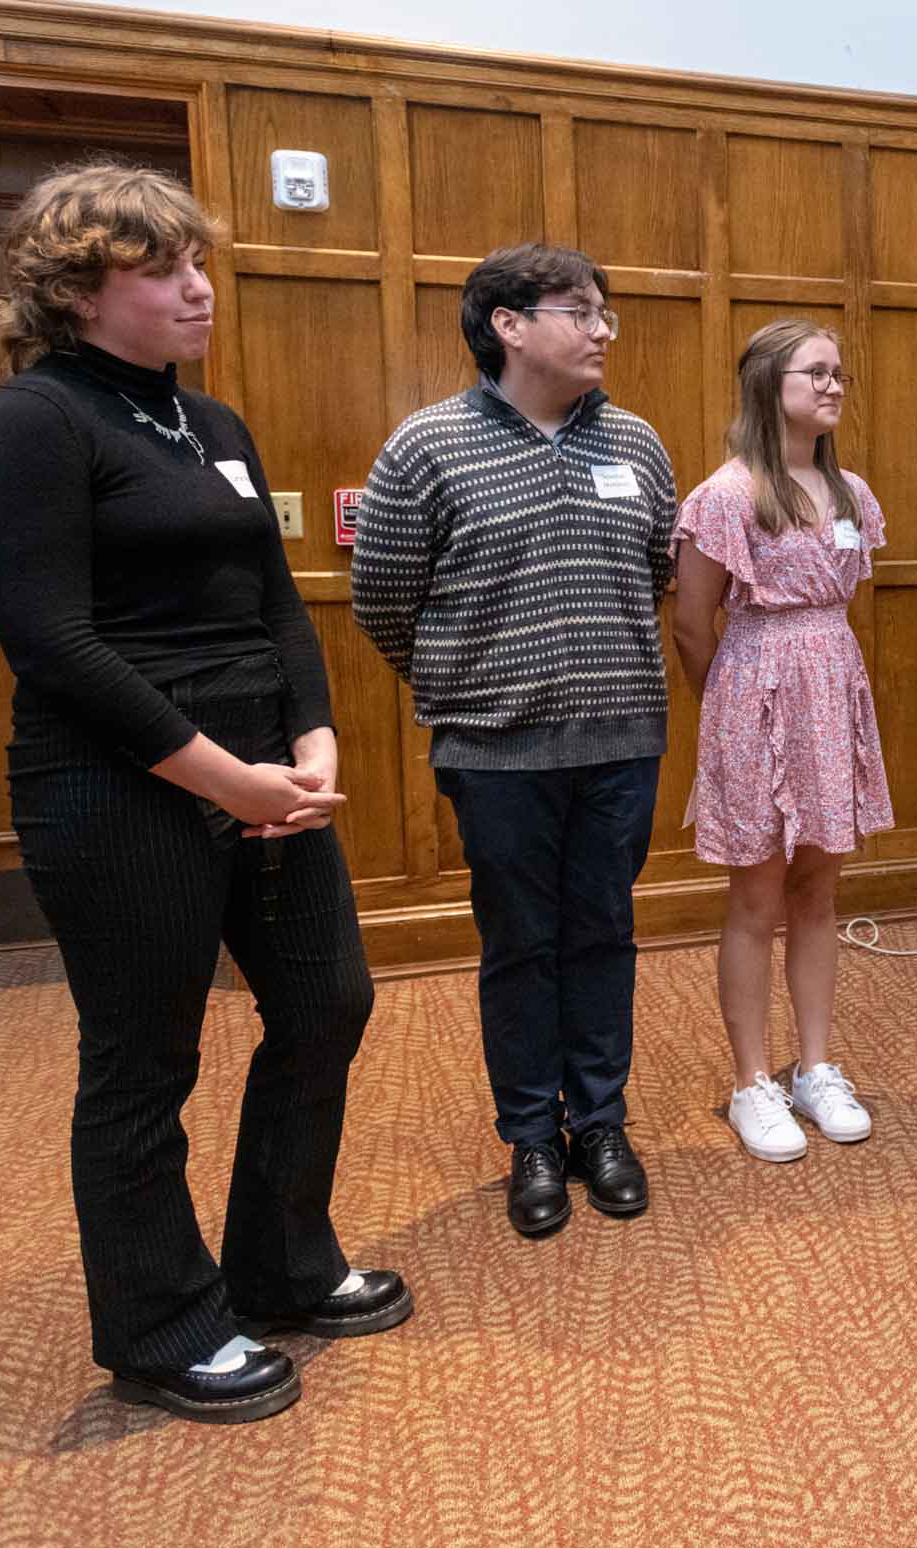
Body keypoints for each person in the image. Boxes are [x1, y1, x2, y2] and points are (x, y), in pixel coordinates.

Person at [0, 161, 407, 1425]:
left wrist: (313, 739)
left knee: (326, 1003)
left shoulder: (209, 425)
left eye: (197, 262)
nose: (198, 288)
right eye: (163, 270)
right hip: (116, 787)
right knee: (144, 1060)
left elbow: (275, 601)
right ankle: (163, 1324)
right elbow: (52, 642)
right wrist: (225, 779)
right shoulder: (34, 420)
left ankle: (281, 1264)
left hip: (267, 775)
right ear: (78, 290)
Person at [352, 244, 676, 1238]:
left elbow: (656, 574)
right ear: (507, 323)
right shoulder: (426, 447)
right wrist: (474, 686)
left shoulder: (638, 444)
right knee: (522, 947)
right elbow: (383, 605)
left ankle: (602, 1124)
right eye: (580, 310)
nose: (603, 328)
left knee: (604, 935)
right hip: (494, 754)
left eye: (605, 311)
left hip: (621, 739)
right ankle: (532, 1137)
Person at [671, 319, 893, 1164]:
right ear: (770, 383)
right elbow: (693, 623)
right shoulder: (726, 495)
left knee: (819, 893)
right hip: (752, 695)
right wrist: (728, 709)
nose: (835, 386)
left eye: (840, 374)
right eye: (817, 373)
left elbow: (837, 605)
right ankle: (752, 1082)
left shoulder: (850, 494)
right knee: (756, 899)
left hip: (830, 691)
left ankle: (817, 1067)